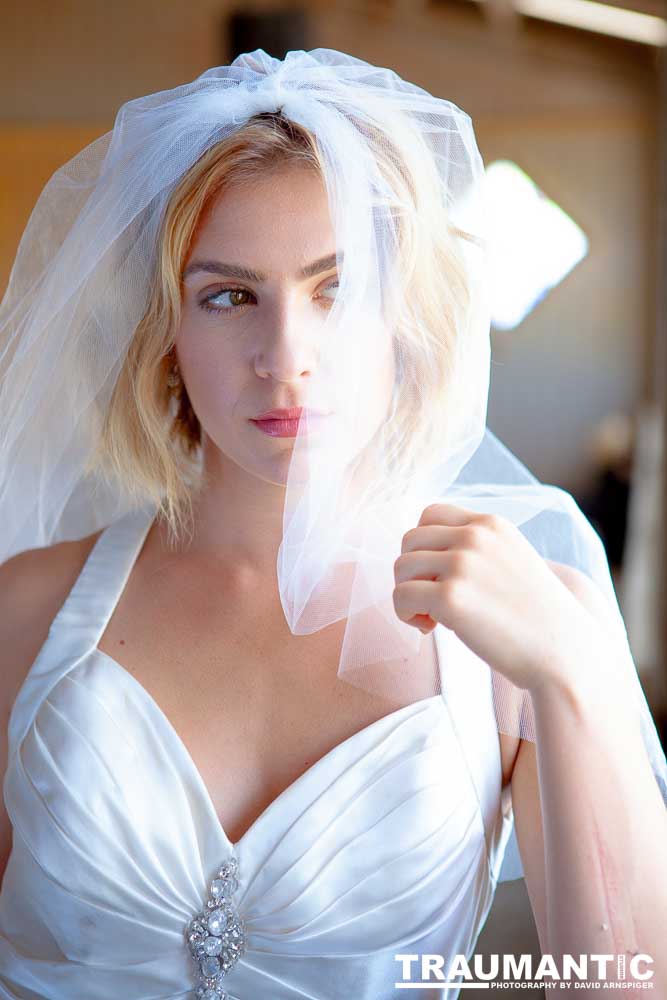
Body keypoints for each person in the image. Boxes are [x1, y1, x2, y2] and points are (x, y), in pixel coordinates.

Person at [0, 48, 666, 1000]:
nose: (285, 356)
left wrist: (567, 671)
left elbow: (617, 989)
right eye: (229, 296)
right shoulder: (23, 611)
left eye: (335, 288)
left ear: (405, 316)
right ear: (167, 333)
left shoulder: (525, 631)